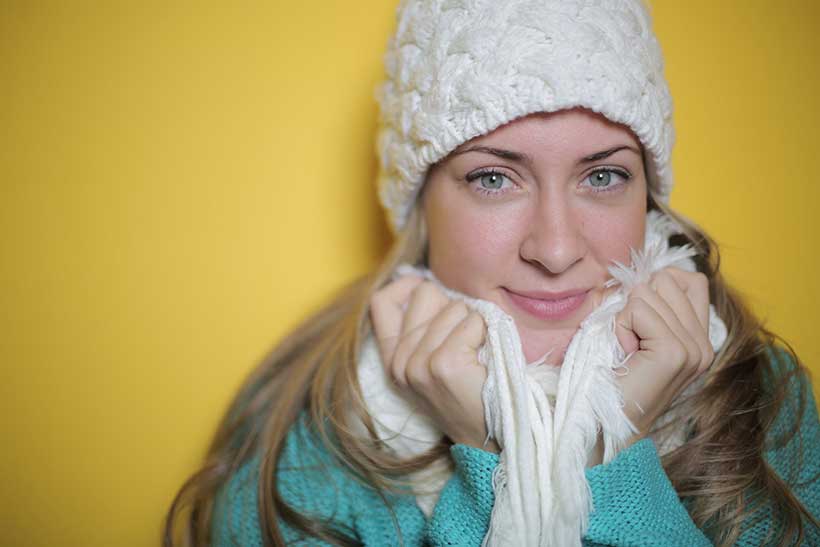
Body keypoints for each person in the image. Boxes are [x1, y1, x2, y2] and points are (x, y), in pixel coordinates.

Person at [165, 0, 820, 545]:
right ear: (420, 205)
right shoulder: (307, 452)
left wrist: (609, 455)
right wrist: (490, 456)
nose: (556, 249)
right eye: (493, 177)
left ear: (647, 196)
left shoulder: (761, 400)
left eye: (602, 175)